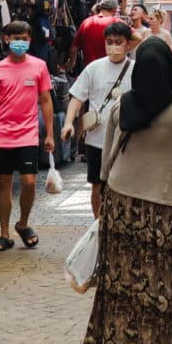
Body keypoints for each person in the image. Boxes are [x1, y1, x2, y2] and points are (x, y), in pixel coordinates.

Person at [83, 38, 172, 344]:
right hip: (165, 213)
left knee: (121, 285)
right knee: (164, 285)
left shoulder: (122, 104)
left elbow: (106, 163)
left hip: (120, 207)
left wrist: (102, 199)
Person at [0, 20, 55, 251]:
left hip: (28, 134)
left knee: (29, 182)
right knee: (4, 183)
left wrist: (49, 134)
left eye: (24, 39)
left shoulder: (39, 66)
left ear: (30, 40)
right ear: (6, 39)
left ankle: (23, 224)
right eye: (15, 38)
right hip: (1, 134)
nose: (20, 42)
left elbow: (46, 100)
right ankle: (4, 234)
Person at [61, 21, 133, 218]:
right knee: (96, 185)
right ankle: (99, 224)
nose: (113, 46)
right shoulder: (94, 68)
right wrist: (68, 122)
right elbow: (77, 97)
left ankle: (120, 223)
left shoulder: (136, 70)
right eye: (109, 42)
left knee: (123, 187)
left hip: (125, 141)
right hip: (96, 140)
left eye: (118, 42)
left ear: (128, 44)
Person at [68, 0, 120, 70]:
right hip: (111, 69)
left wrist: (71, 64)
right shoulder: (117, 22)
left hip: (89, 70)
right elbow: (138, 38)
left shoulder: (86, 22)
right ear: (114, 10)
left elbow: (73, 49)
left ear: (101, 7)